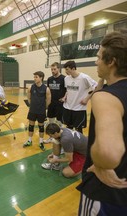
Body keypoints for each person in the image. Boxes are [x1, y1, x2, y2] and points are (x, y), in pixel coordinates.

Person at [77, 32, 127, 215]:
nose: (96, 62)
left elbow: (108, 151)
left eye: (98, 57)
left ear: (111, 61)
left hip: (105, 194)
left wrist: (100, 164)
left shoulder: (105, 97)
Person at [62, 60, 97, 133]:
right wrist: (65, 97)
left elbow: (96, 87)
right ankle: (70, 143)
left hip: (79, 108)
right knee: (69, 129)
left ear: (73, 68)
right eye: (65, 69)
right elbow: (67, 90)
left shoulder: (84, 78)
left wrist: (87, 99)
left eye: (67, 69)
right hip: (68, 107)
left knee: (79, 130)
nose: (66, 71)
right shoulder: (66, 78)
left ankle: (79, 144)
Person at [23, 71, 51, 151]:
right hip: (32, 110)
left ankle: (41, 142)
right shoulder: (31, 87)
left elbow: (48, 100)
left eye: (36, 77)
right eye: (34, 77)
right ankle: (29, 140)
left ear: (41, 77)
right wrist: (32, 105)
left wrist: (43, 107)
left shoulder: (46, 89)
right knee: (31, 126)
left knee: (41, 127)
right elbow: (28, 98)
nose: (34, 78)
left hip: (41, 112)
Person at [46, 62, 66, 126]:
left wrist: (64, 98)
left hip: (60, 103)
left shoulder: (64, 78)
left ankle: (60, 135)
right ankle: (52, 134)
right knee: (51, 121)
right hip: (51, 103)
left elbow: (67, 90)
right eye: (51, 69)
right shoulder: (49, 79)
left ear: (59, 69)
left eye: (54, 69)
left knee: (59, 122)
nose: (53, 71)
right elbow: (48, 90)